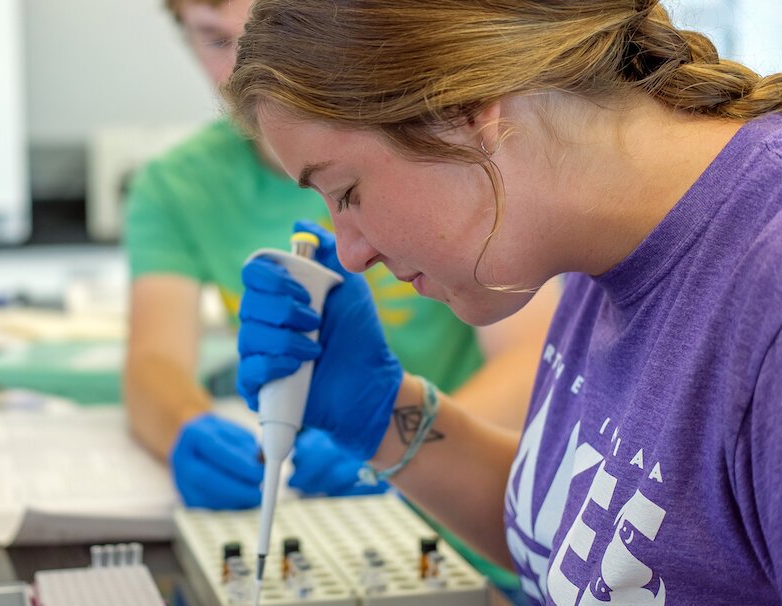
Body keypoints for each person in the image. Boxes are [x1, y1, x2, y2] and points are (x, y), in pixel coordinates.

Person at [226, 1, 782, 604]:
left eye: (346, 191)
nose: (351, 254)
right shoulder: (591, 241)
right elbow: (590, 551)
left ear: (464, 111)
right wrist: (383, 414)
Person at [123, 0, 558, 521]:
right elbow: (154, 359)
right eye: (218, 40)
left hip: (468, 490)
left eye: (349, 191)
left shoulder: (434, 147)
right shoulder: (179, 185)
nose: (249, 69)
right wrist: (183, 426)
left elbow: (533, 353)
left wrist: (400, 442)